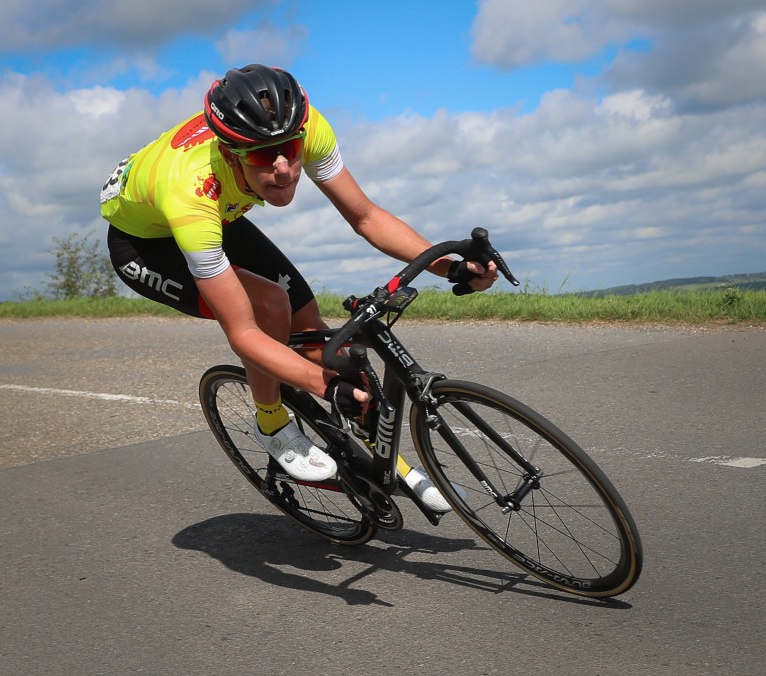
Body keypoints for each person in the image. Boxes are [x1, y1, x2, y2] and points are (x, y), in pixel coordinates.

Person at [100, 64, 495, 511]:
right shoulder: (189, 193)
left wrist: (451, 267)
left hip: (220, 214)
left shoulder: (308, 127)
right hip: (146, 243)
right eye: (264, 157)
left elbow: (364, 215)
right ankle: (271, 425)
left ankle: (391, 463)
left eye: (288, 149)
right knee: (269, 304)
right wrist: (324, 387)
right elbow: (244, 334)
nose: (285, 168)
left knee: (320, 342)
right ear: (231, 155)